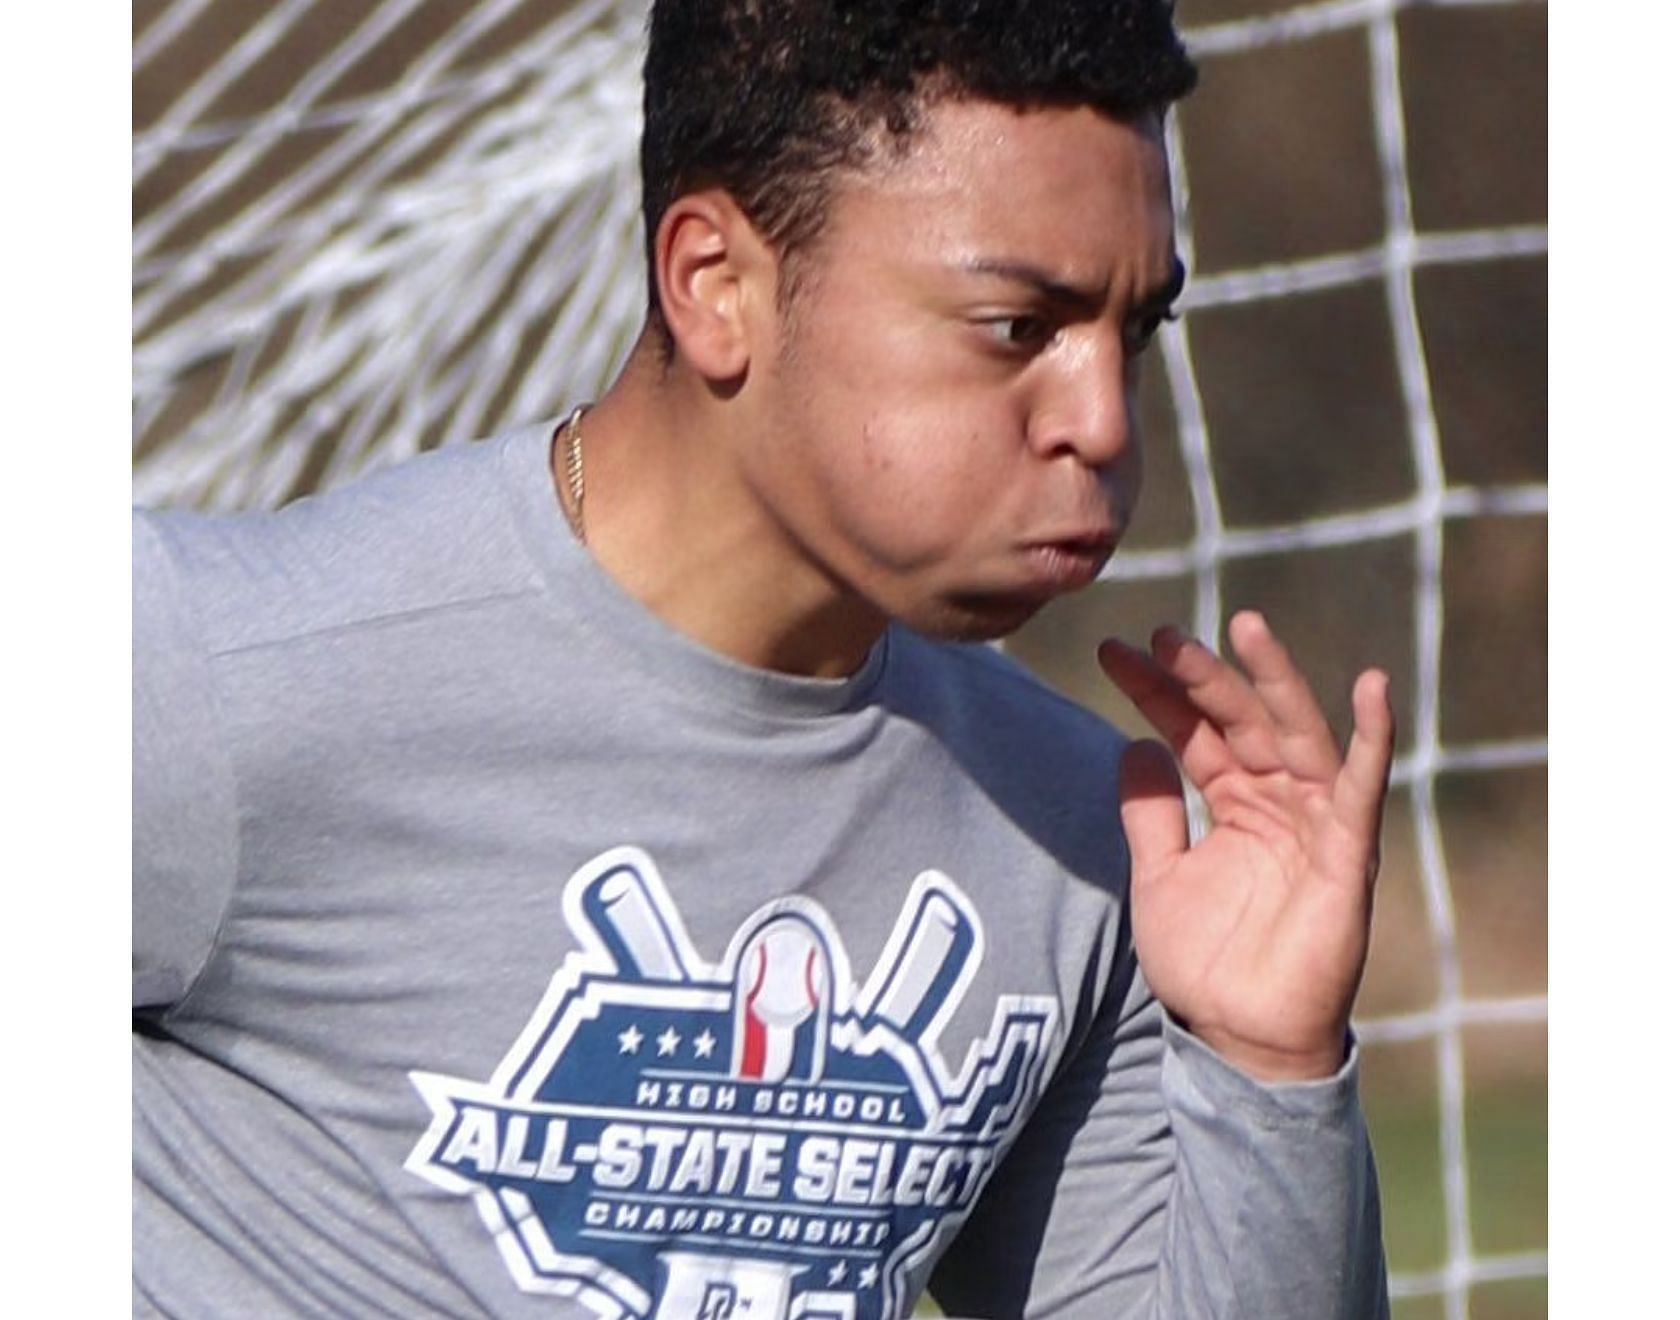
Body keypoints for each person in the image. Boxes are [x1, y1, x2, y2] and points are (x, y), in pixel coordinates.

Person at [133, 2, 1395, 1316]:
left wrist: (1269, 1058)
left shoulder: (1090, 838)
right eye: (1018, 326)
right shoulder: (226, 678)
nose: (1102, 421)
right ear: (715, 286)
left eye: (1132, 334)